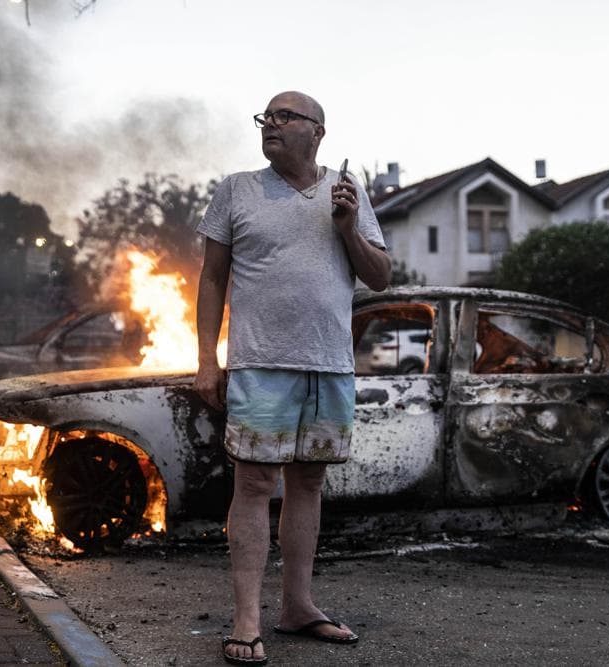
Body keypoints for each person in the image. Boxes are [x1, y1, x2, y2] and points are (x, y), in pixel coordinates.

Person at [193, 91, 390, 665]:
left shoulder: (347, 192)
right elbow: (211, 280)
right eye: (265, 117)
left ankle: (298, 607)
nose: (270, 125)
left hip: (329, 363)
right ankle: (247, 617)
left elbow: (378, 277)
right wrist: (208, 358)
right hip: (260, 362)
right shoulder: (237, 189)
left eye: (284, 117)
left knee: (309, 484)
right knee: (254, 484)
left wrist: (350, 226)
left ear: (317, 132)